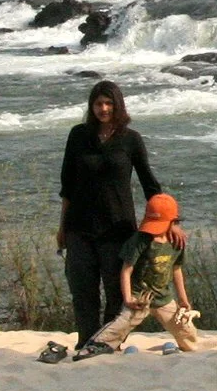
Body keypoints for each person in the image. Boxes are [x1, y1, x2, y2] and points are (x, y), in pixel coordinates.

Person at [56, 80, 182, 352]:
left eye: (109, 103)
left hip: (117, 228)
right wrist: (62, 227)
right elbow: (67, 184)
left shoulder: (130, 139)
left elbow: (150, 184)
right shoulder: (78, 135)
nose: (103, 109)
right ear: (91, 106)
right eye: (98, 103)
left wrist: (171, 222)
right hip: (79, 226)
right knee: (83, 292)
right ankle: (85, 343)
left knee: (117, 292)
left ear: (118, 106)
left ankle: (107, 343)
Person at [81, 192, 201, 359]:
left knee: (186, 331)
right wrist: (128, 298)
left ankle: (188, 349)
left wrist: (183, 299)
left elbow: (176, 270)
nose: (155, 231)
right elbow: (126, 269)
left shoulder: (176, 242)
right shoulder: (140, 240)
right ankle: (95, 346)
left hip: (163, 297)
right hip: (140, 297)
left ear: (172, 223)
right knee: (120, 326)